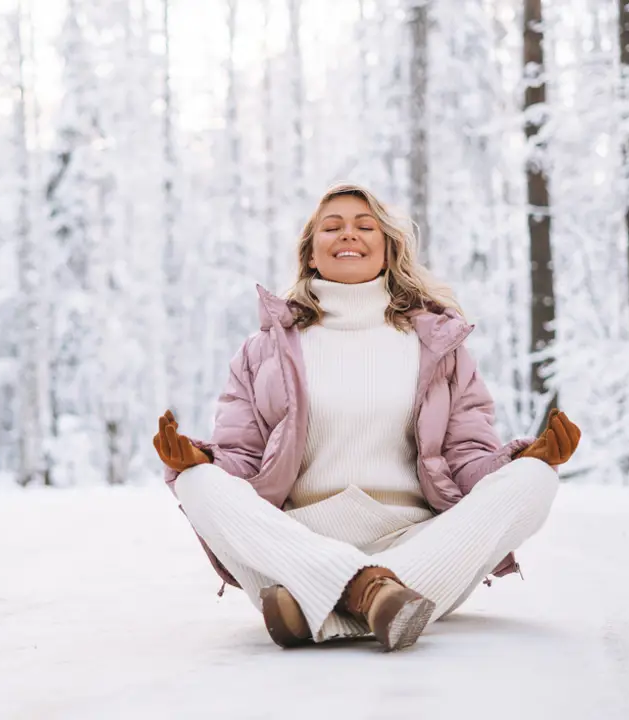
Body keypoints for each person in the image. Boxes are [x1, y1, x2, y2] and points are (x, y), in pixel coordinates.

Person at [152, 183, 581, 652]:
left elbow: (464, 458)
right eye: (331, 227)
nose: (347, 235)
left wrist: (523, 460)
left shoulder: (438, 346)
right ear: (311, 255)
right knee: (196, 483)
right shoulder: (262, 352)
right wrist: (199, 460)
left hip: (418, 545)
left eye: (364, 225)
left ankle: (320, 605)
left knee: (536, 479)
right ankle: (372, 594)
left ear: (387, 248)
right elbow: (245, 460)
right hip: (291, 544)